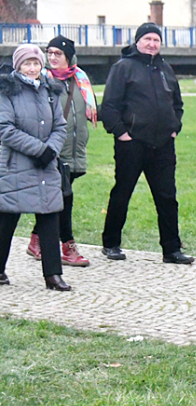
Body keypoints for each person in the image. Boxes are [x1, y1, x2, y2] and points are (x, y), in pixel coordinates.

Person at [101, 22, 193, 264]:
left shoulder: (166, 69)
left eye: (156, 40)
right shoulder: (123, 68)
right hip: (131, 142)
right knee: (122, 192)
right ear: (138, 41)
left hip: (163, 144)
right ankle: (111, 243)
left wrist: (175, 128)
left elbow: (177, 104)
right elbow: (109, 106)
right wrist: (121, 133)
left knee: (167, 198)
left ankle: (171, 249)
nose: (152, 44)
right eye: (147, 39)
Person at [0, 44, 70, 291]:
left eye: (36, 63)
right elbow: (5, 129)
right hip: (16, 165)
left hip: (46, 165)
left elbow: (60, 126)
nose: (32, 68)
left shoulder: (50, 90)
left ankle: (53, 275)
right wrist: (39, 150)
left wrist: (50, 149)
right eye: (26, 64)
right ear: (18, 65)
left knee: (50, 217)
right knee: (7, 218)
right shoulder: (7, 91)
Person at [26, 36, 97, 268]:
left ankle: (36, 239)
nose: (53, 57)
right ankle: (68, 246)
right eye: (50, 52)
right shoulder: (42, 80)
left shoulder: (81, 79)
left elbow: (84, 114)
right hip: (52, 150)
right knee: (64, 198)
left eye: (58, 53)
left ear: (69, 57)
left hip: (75, 151)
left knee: (59, 196)